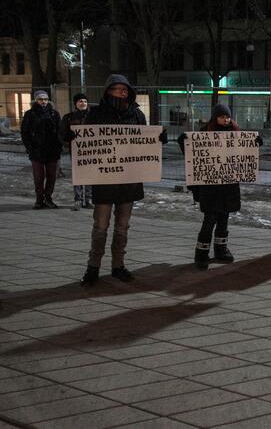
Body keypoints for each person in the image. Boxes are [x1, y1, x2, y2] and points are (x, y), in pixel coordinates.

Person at [72, 74, 167, 287]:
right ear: (107, 91)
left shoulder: (137, 115)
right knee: (100, 227)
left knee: (122, 227)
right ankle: (93, 267)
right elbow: (80, 139)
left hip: (128, 181)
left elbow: (145, 142)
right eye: (116, 89)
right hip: (104, 181)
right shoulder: (95, 114)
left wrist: (158, 139)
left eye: (124, 89)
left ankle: (118, 265)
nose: (121, 93)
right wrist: (70, 137)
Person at [178, 104, 262, 269]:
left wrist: (255, 144)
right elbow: (194, 156)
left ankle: (221, 250)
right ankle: (201, 254)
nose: (226, 119)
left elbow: (244, 155)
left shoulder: (236, 133)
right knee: (209, 220)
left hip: (229, 185)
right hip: (210, 188)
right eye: (222, 116)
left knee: (224, 218)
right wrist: (184, 143)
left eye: (228, 116)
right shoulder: (204, 133)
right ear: (215, 117)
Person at [20, 90, 63, 209]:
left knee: (51, 176)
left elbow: (59, 131)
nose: (43, 102)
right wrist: (29, 147)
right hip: (36, 151)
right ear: (36, 100)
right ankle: (39, 198)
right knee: (38, 176)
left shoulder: (54, 113)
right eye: (41, 99)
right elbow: (25, 132)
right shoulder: (30, 114)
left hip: (52, 151)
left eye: (45, 99)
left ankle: (48, 198)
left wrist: (59, 147)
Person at [60, 93, 93, 211]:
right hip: (76, 152)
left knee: (89, 175)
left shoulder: (93, 116)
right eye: (80, 101)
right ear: (75, 104)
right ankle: (78, 199)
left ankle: (88, 199)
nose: (83, 103)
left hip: (91, 152)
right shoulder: (68, 117)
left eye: (85, 101)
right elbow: (62, 133)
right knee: (78, 175)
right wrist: (68, 136)